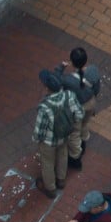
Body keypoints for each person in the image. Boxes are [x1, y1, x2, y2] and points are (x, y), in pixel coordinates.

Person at [33, 69, 83, 198]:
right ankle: (61, 180)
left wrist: (37, 141)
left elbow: (39, 131)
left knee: (48, 163)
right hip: (65, 135)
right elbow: (79, 114)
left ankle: (51, 188)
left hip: (49, 141)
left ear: (46, 88)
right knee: (62, 155)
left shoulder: (45, 107)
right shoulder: (69, 95)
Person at [56, 47, 102, 170]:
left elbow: (56, 80)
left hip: (78, 107)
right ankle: (84, 140)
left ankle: (76, 157)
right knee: (85, 123)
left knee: (74, 133)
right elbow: (97, 88)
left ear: (71, 62)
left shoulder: (68, 80)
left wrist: (61, 67)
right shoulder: (93, 70)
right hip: (91, 102)